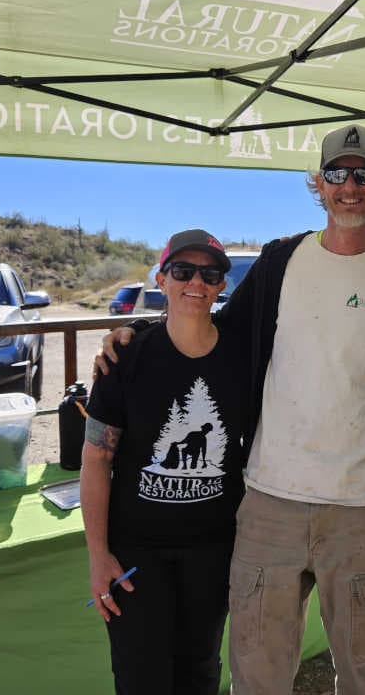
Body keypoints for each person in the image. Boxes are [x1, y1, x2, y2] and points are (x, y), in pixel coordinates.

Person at [98, 125, 365, 695]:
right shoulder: (280, 262)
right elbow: (214, 337)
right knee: (257, 675)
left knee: (362, 675)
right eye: (337, 174)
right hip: (269, 505)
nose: (350, 186)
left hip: (359, 510)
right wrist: (138, 335)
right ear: (318, 185)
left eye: (364, 175)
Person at [81, 229, 249, 695]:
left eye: (210, 273)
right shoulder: (126, 357)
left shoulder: (242, 355)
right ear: (161, 279)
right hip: (136, 554)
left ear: (221, 286)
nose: (196, 281)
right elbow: (96, 459)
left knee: (199, 668)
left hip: (213, 549)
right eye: (183, 271)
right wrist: (98, 555)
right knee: (140, 675)